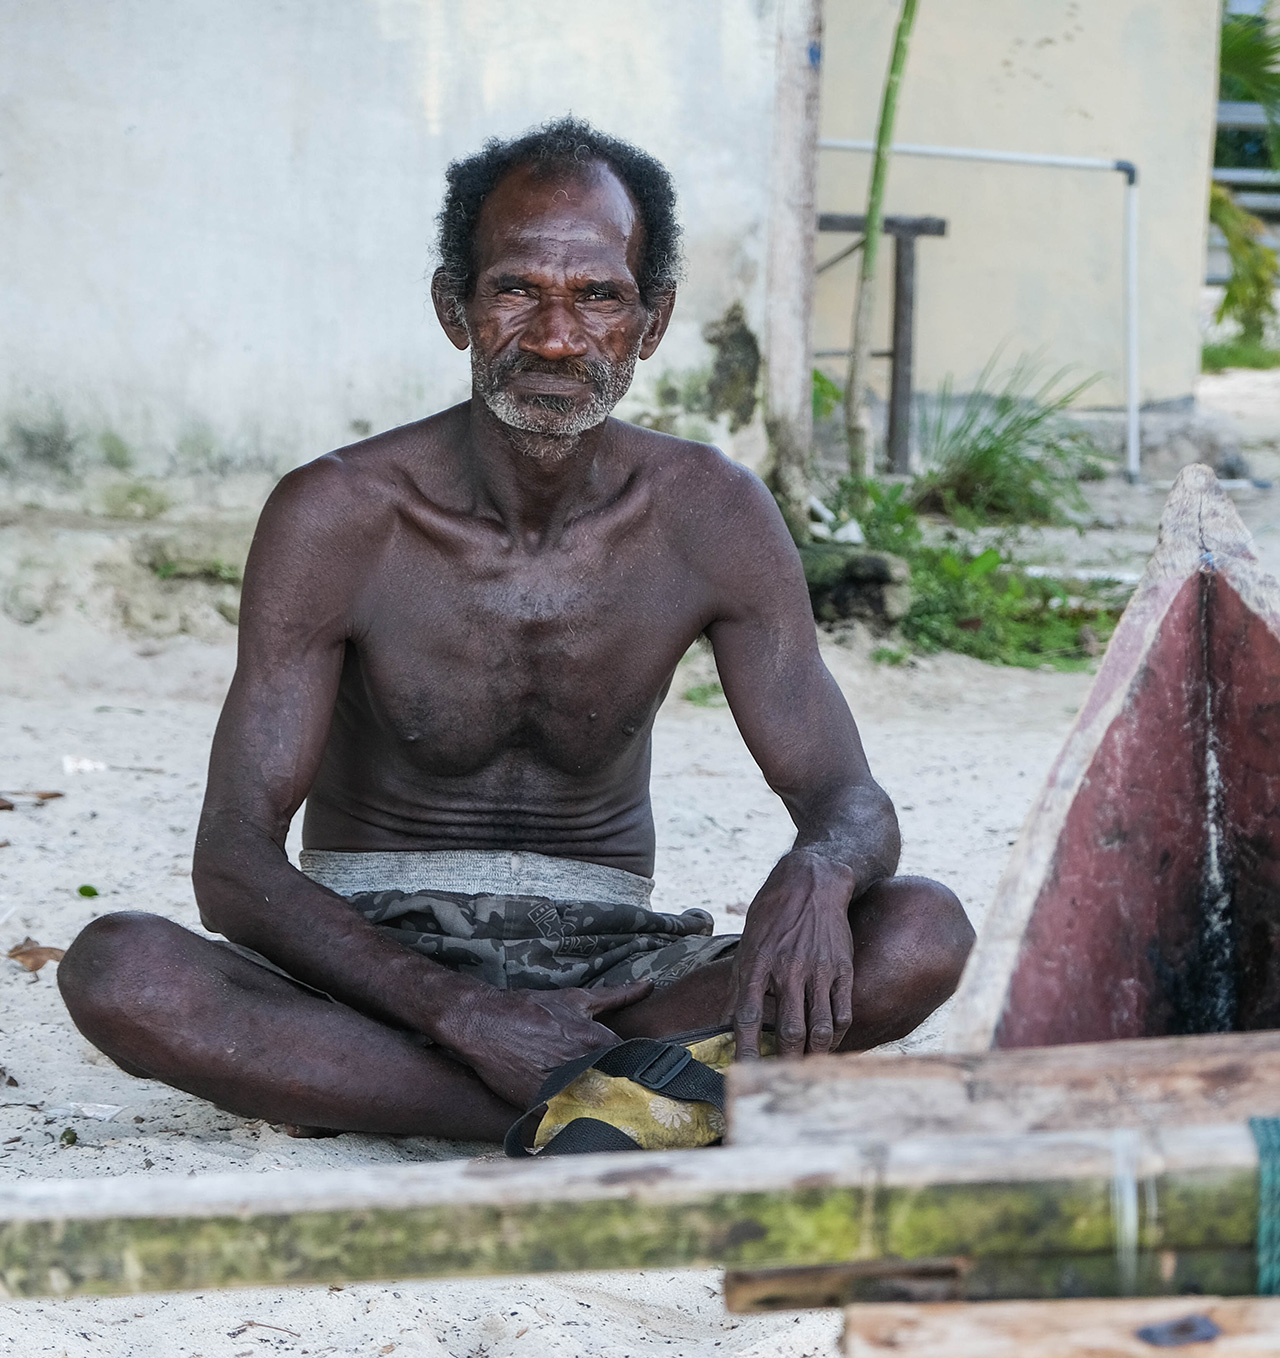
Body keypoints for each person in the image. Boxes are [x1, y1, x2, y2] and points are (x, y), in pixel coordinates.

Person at [59, 117, 974, 1144]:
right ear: (454, 307)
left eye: (598, 297)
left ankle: (495, 1090)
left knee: (916, 931)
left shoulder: (708, 512)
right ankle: (602, 1105)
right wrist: (457, 1010)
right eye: (515, 291)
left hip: (615, 970)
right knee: (120, 967)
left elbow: (846, 799)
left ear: (652, 320)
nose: (553, 336)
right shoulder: (340, 513)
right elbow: (233, 862)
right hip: (370, 960)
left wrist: (818, 867)